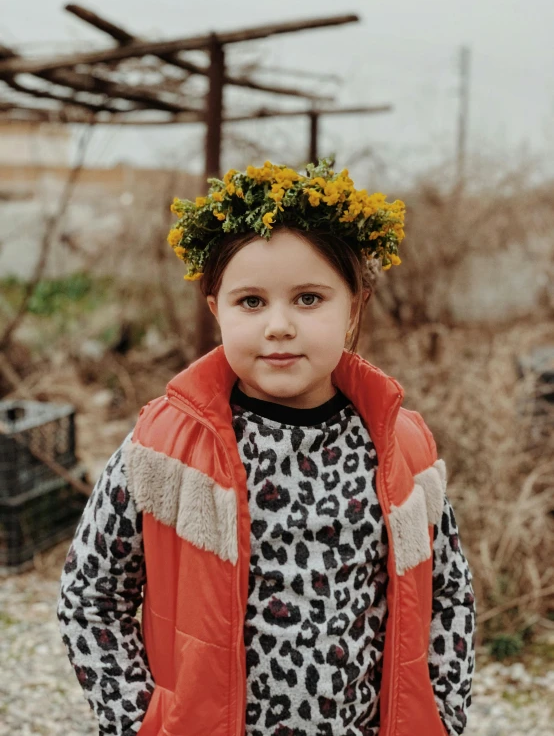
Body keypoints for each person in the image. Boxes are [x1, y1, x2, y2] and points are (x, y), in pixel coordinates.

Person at [57, 158, 476, 736]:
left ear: (353, 308)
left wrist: (445, 716)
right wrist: (141, 721)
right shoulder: (163, 448)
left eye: (309, 299)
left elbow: (449, 594)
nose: (278, 325)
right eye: (251, 302)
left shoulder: (403, 449)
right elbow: (89, 596)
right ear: (216, 311)